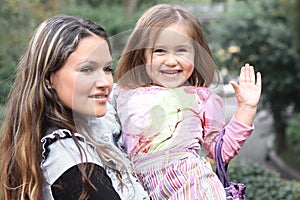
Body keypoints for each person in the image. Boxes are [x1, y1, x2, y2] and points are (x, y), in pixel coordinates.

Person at [102, 4, 262, 200]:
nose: (171, 61)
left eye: (181, 51)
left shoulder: (201, 99)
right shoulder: (123, 93)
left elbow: (220, 152)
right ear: (142, 54)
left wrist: (246, 108)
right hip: (141, 190)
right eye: (160, 51)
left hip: (194, 188)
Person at [0, 15, 148, 200]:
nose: (104, 82)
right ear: (49, 77)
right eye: (87, 70)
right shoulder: (70, 158)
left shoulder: (98, 126)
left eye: (107, 69)